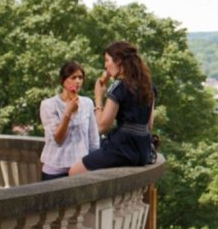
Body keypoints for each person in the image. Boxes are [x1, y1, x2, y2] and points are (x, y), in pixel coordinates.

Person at [69, 41, 157, 175]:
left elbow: (101, 126)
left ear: (119, 61)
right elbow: (149, 125)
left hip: (122, 148)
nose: (105, 65)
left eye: (107, 60)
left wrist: (98, 96)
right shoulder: (149, 86)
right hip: (142, 150)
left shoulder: (118, 87)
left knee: (74, 171)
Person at [40, 61, 101, 180]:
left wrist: (95, 163)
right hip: (55, 171)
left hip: (80, 170)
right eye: (73, 77)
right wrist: (68, 112)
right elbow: (57, 138)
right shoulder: (49, 105)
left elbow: (93, 138)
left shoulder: (87, 103)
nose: (77, 81)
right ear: (63, 80)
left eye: (80, 77)